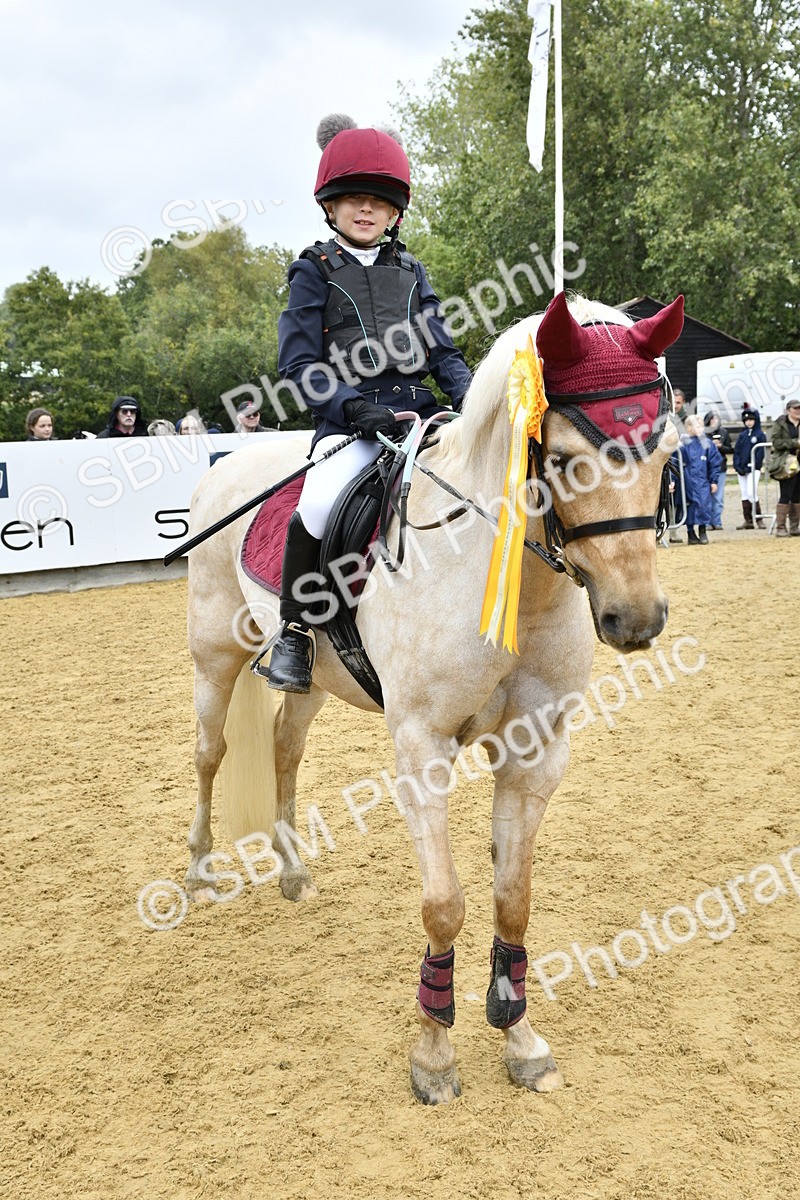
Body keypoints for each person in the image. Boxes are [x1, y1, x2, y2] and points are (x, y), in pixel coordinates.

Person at [267, 113, 472, 692]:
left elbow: (444, 354)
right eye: (353, 199)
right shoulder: (312, 271)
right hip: (350, 423)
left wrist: (476, 399)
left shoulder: (412, 270)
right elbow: (299, 365)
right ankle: (295, 632)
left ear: (394, 213)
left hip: (424, 418)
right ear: (330, 207)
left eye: (377, 202)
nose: (365, 210)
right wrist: (353, 408)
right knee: (319, 501)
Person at [680, 415, 722, 544]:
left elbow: (715, 462)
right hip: (687, 481)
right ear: (689, 428)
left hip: (703, 481)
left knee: (704, 505)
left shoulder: (707, 444)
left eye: (701, 426)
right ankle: (690, 532)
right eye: (697, 426)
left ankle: (703, 530)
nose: (700, 429)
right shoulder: (682, 444)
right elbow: (676, 462)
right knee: (689, 506)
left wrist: (714, 481)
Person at [769, 397, 800, 536]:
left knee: (797, 495)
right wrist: (795, 443)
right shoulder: (780, 423)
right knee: (786, 494)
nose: (798, 411)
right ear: (788, 410)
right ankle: (781, 527)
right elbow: (776, 442)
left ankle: (794, 527)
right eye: (795, 409)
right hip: (786, 464)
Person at [733, 409, 767, 528]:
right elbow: (736, 451)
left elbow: (760, 453)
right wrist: (737, 466)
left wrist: (755, 465)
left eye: (751, 420)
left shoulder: (760, 435)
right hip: (742, 469)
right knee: (744, 494)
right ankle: (748, 520)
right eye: (746, 420)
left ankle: (759, 519)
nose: (749, 422)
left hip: (753, 469)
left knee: (752, 492)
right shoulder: (742, 435)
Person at [703, 410, 732, 529]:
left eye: (716, 419)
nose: (714, 421)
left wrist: (721, 446)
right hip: (706, 469)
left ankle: (717, 521)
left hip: (720, 468)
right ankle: (708, 522)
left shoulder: (724, 432)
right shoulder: (703, 434)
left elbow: (730, 449)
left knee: (718, 496)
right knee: (707, 496)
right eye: (712, 419)